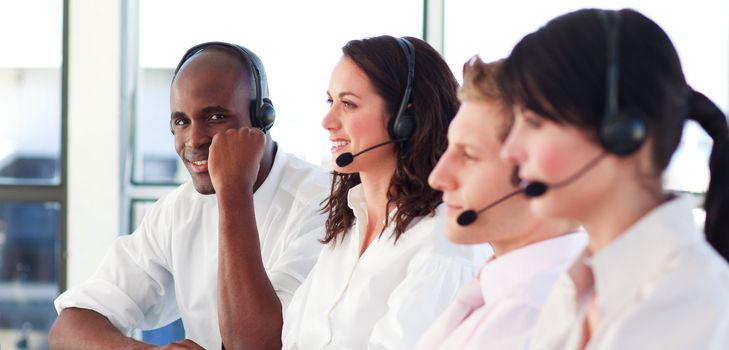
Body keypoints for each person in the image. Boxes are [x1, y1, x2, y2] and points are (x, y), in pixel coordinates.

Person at [49, 42, 330, 349]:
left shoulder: (322, 204)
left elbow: (256, 344)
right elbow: (68, 329)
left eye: (215, 117)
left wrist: (233, 192)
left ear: (263, 118)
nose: (194, 139)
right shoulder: (176, 211)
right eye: (181, 122)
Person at [499, 8, 729, 350]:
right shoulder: (580, 283)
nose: (510, 150)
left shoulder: (690, 299)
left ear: (622, 132)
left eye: (534, 122)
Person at [281, 35, 487, 349]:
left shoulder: (443, 243)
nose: (327, 121)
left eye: (348, 104)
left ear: (406, 117)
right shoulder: (348, 225)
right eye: (330, 101)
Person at [416, 56, 585, 350]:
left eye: (467, 154)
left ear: (540, 177)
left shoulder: (530, 320)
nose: (438, 177)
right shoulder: (497, 288)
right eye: (448, 149)